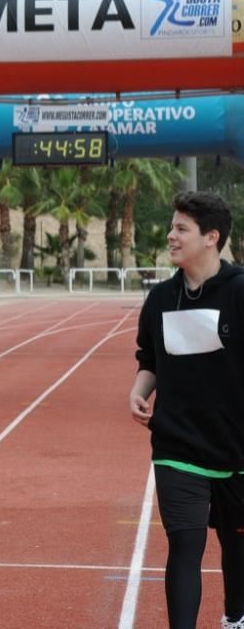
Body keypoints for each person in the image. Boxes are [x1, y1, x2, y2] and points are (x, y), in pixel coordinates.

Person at [129, 190, 244, 629]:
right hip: (177, 444)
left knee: (237, 549)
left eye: (181, 229)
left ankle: (235, 617)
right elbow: (150, 358)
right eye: (172, 227)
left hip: (237, 450)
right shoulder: (159, 299)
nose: (171, 236)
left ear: (211, 237)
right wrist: (139, 390)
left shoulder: (239, 292)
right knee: (185, 546)